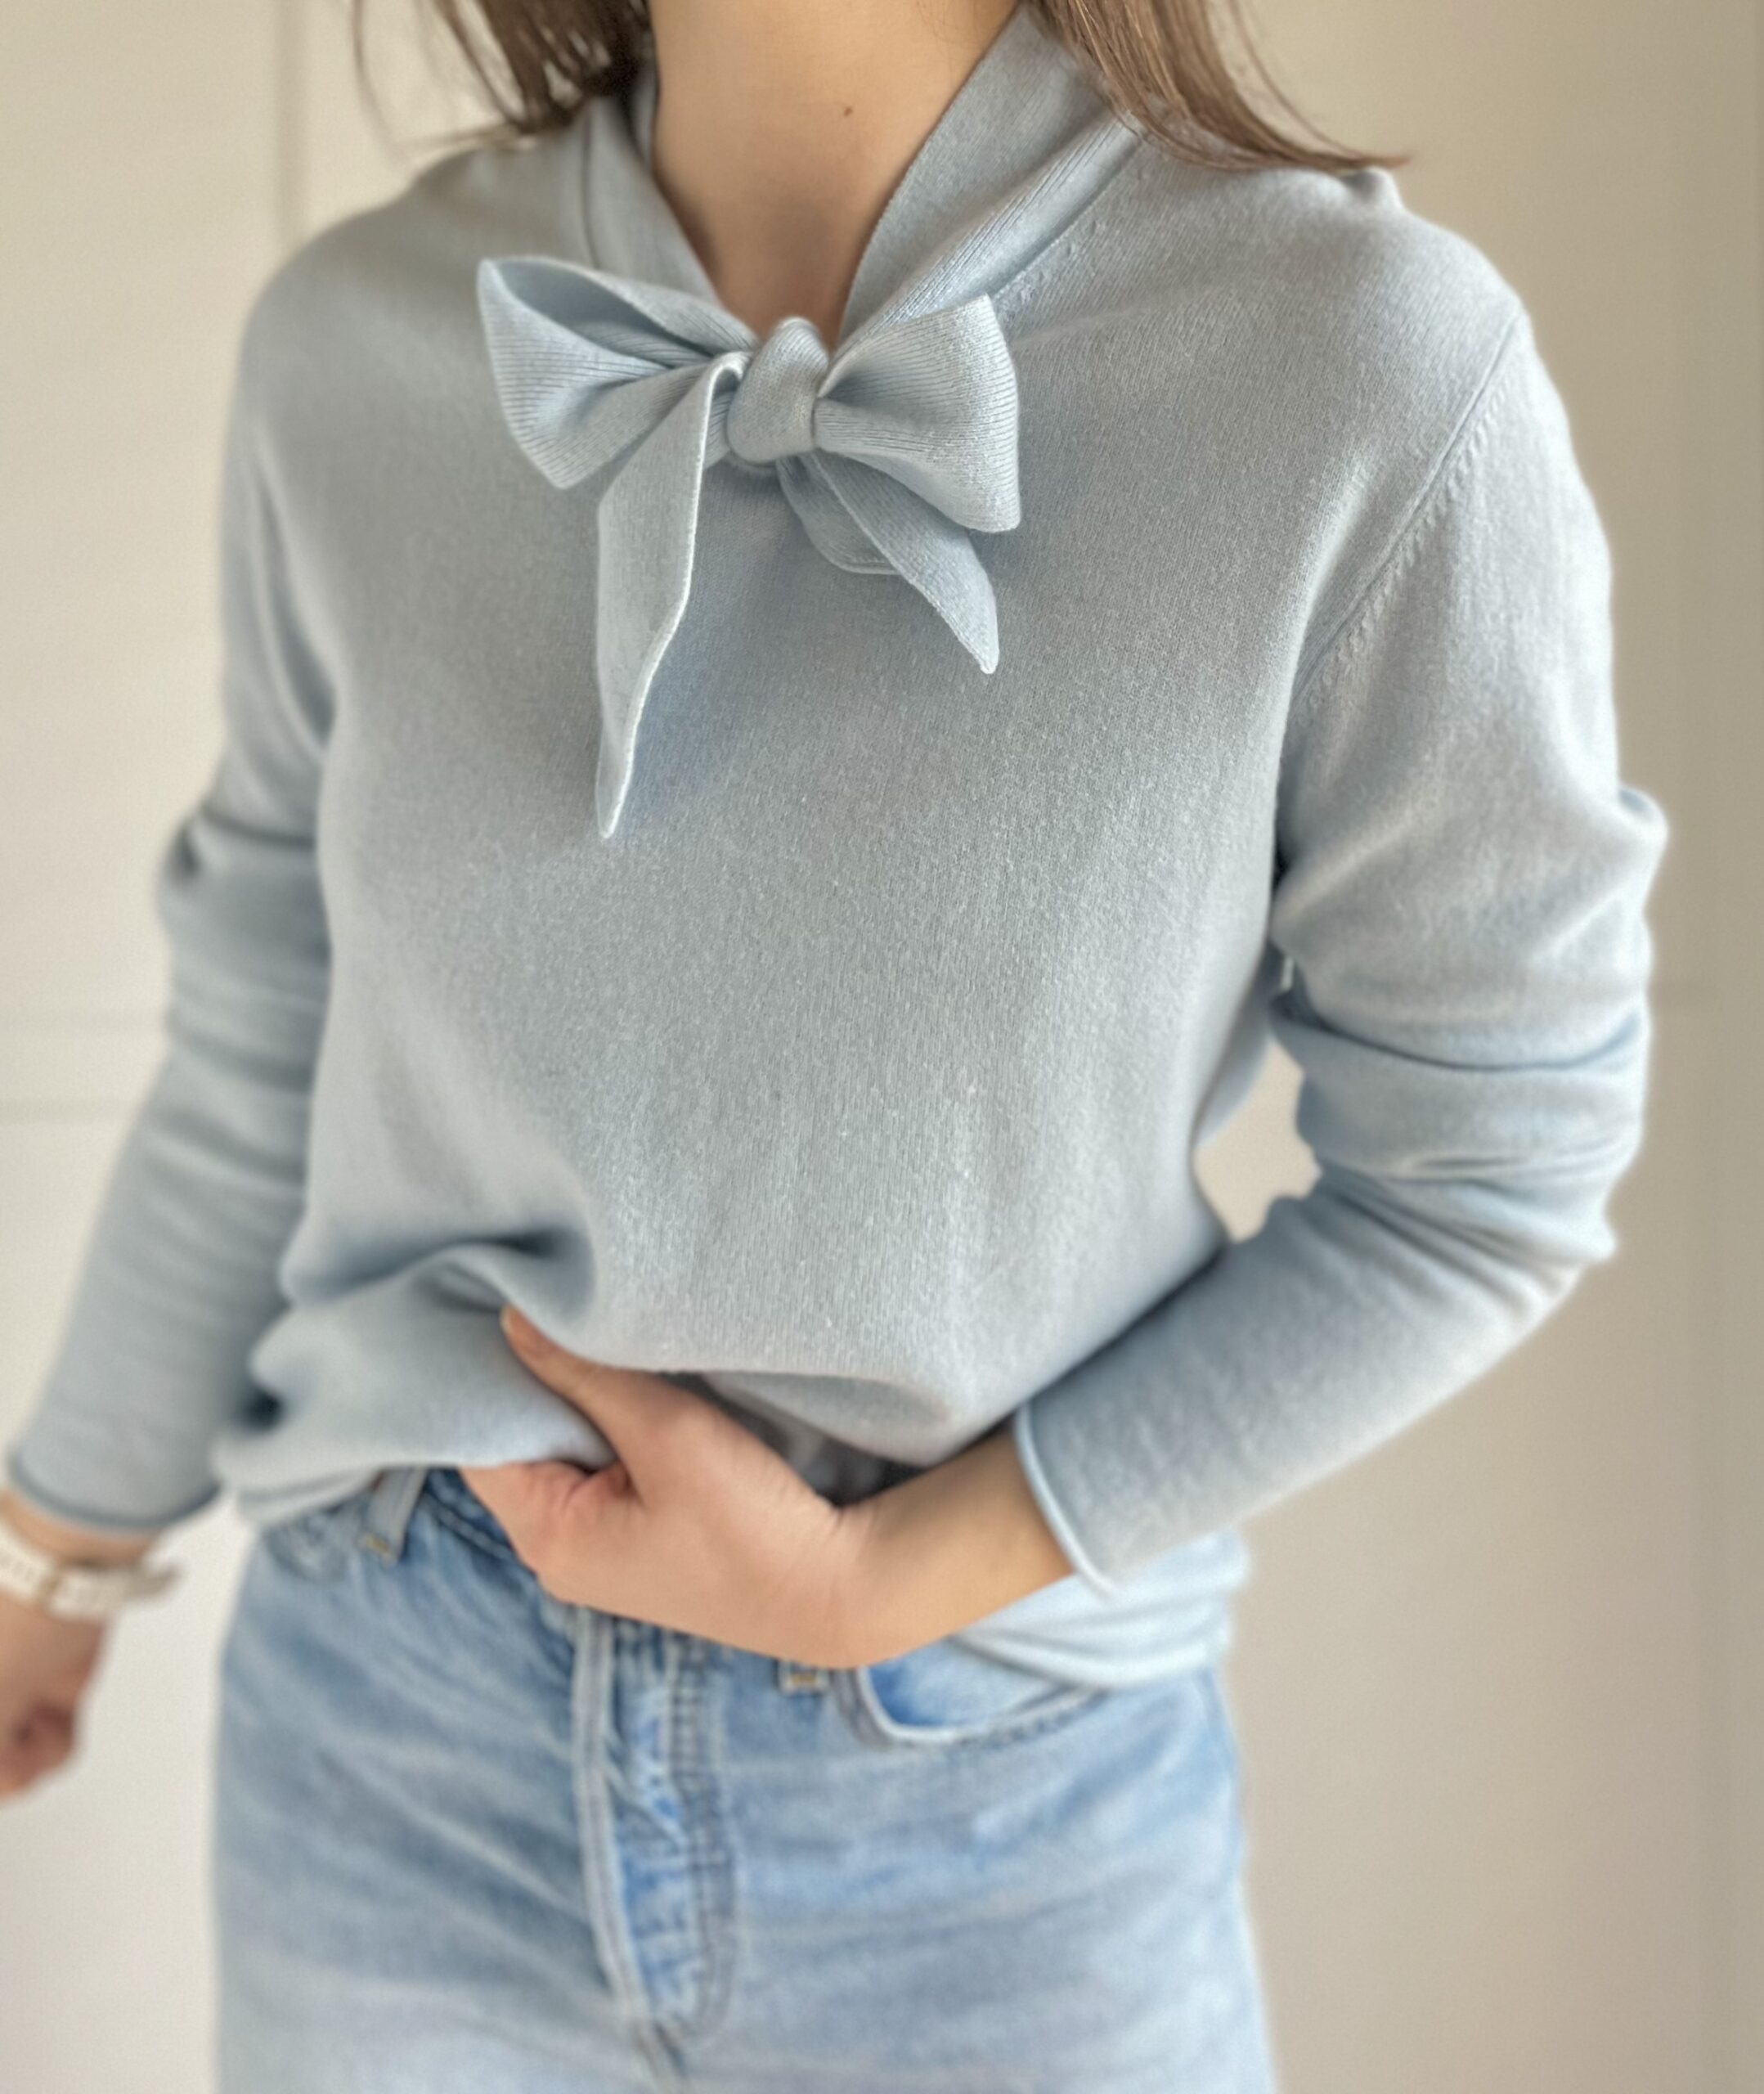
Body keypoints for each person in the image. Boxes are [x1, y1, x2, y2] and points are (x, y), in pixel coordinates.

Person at [0, 0, 1668, 2087]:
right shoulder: (362, 347)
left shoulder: (1360, 372)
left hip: (1001, 1804)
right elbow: (263, 1030)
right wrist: (55, 1550)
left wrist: (883, 1579)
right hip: (388, 1733)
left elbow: (1485, 1176)